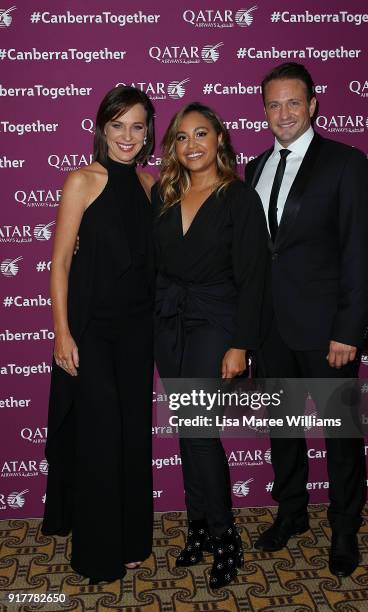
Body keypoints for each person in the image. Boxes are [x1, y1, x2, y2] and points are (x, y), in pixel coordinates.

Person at [245, 63, 368, 577]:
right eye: (274, 105)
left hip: (327, 333)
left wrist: (349, 329)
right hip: (269, 327)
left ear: (313, 105)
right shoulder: (254, 167)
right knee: (282, 429)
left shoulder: (346, 163)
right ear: (264, 110)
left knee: (339, 435)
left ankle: (345, 528)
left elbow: (360, 254)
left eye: (293, 103)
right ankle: (292, 512)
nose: (283, 113)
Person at [42, 86, 156, 584]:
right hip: (91, 331)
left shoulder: (153, 185)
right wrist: (62, 332)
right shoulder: (82, 181)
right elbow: (60, 263)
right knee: (99, 440)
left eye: (137, 125)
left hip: (138, 331)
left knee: (133, 437)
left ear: (148, 130)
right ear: (101, 129)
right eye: (118, 125)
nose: (127, 136)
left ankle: (132, 540)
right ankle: (97, 550)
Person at [152, 102, 269, 588]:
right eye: (182, 137)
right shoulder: (163, 193)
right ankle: (198, 527)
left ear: (219, 139)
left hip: (216, 322)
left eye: (201, 134)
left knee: (200, 432)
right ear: (173, 146)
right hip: (169, 323)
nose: (192, 145)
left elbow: (254, 276)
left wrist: (241, 343)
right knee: (186, 432)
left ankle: (225, 538)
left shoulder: (237, 198)